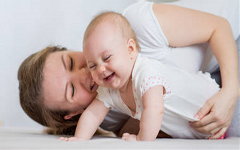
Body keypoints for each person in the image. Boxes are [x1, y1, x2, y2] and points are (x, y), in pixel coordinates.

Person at [18, 1, 239, 139]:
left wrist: (230, 92)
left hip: (231, 41)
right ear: (73, 114)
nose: (86, 73)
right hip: (206, 83)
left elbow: (220, 27)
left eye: (71, 62)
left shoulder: (133, 24)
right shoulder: (106, 114)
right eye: (72, 90)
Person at [59, 11, 224, 141]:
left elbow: (155, 109)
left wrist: (141, 139)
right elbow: (92, 115)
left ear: (130, 50)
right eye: (92, 66)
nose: (101, 69)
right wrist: (79, 139)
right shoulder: (108, 91)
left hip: (215, 102)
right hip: (207, 131)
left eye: (107, 58)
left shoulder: (146, 74)